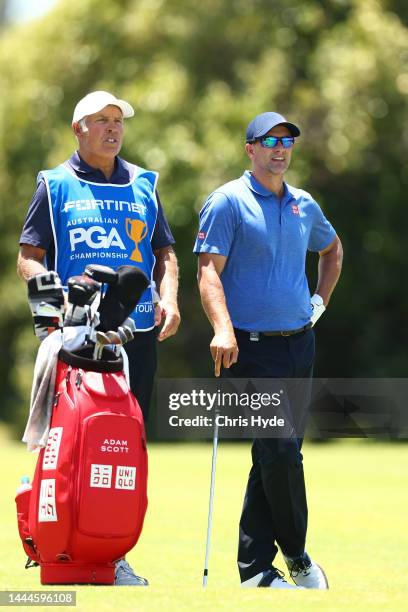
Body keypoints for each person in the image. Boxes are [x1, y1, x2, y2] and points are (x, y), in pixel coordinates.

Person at [17, 90, 180, 586]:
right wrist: (51, 320)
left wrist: (170, 299)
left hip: (138, 332)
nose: (113, 129)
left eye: (119, 121)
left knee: (121, 446)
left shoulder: (145, 184)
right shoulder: (55, 184)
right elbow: (30, 257)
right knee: (71, 441)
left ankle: (111, 550)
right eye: (102, 121)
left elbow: (166, 255)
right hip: (78, 333)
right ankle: (56, 536)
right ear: (78, 129)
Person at [194, 112, 342, 589]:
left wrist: (318, 303)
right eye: (269, 141)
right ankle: (298, 557)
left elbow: (332, 250)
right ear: (250, 149)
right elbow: (208, 273)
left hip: (301, 344)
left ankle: (255, 570)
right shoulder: (227, 202)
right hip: (250, 348)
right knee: (280, 449)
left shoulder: (303, 204)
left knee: (275, 455)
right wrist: (222, 329)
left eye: (287, 141)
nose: (280, 148)